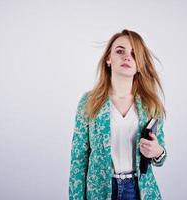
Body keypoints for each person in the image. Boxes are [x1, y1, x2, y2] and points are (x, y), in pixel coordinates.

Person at [69, 29, 167, 200]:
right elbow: (78, 159)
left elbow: (160, 157)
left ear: (139, 64)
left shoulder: (150, 104)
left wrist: (157, 151)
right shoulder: (89, 102)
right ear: (109, 59)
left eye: (134, 54)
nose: (127, 57)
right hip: (100, 191)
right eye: (120, 51)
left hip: (139, 191)